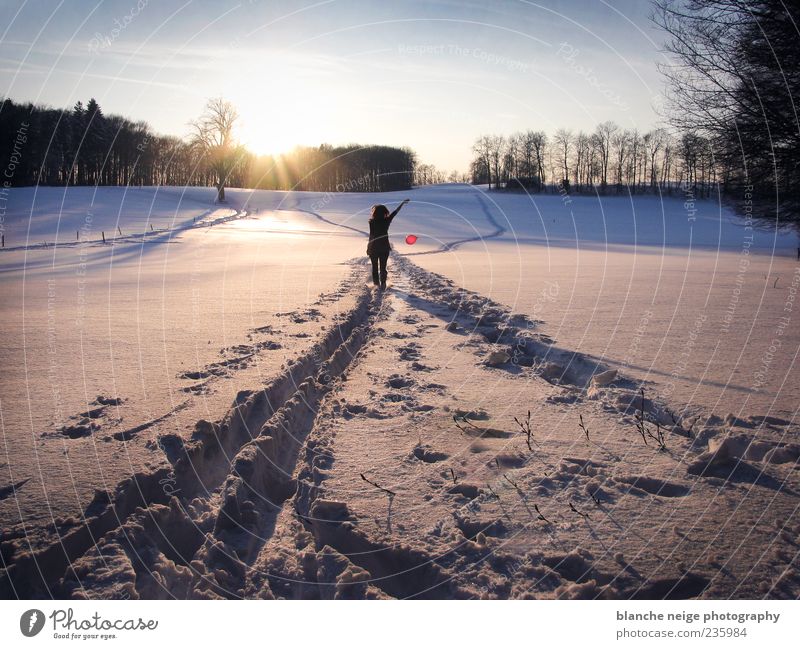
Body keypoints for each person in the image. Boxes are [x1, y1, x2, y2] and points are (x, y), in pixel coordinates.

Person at [366, 199, 409, 289]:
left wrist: (368, 248)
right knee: (383, 267)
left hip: (374, 248)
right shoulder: (387, 221)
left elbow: (371, 236)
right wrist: (402, 204)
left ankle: (376, 284)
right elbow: (395, 212)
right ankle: (383, 284)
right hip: (384, 248)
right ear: (384, 212)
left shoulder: (372, 222)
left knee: (374, 267)